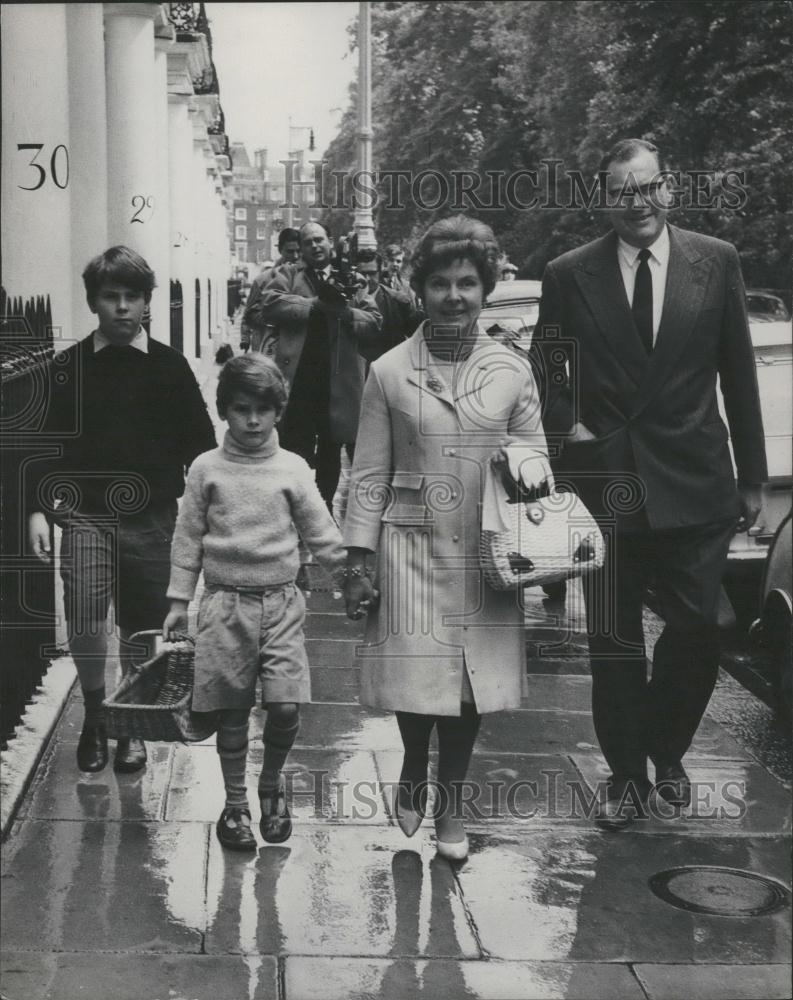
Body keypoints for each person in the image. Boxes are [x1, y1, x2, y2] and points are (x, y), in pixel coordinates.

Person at [531, 138, 766, 829]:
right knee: (613, 639)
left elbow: (737, 371)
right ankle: (627, 775)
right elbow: (551, 369)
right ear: (603, 200)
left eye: (647, 188)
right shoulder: (569, 272)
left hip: (693, 479)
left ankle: (667, 748)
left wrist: (750, 476)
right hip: (605, 481)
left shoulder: (714, 260)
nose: (635, 204)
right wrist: (563, 431)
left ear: (669, 189)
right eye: (620, 192)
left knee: (700, 627)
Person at [342, 216, 551, 861]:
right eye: (440, 284)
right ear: (421, 290)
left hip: (486, 548)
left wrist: (521, 474)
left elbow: (538, 465)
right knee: (417, 675)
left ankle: (452, 807)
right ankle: (411, 764)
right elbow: (369, 473)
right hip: (411, 544)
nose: (454, 296)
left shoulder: (513, 371)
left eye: (467, 283)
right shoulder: (387, 371)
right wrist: (359, 560)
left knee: (468, 684)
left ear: (486, 289)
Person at [27, 246, 216, 774]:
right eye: (111, 296)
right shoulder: (68, 367)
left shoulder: (170, 367)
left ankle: (130, 719)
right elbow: (43, 447)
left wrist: (211, 514)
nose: (123, 307)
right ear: (94, 302)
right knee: (86, 613)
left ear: (146, 302)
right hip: (87, 513)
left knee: (141, 624)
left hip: (154, 515)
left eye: (133, 297)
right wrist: (38, 511)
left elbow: (200, 447)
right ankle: (95, 715)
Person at [162, 354, 345, 851]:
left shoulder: (293, 468)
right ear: (224, 409)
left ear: (278, 411)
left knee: (285, 705)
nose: (252, 420)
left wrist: (351, 578)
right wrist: (180, 600)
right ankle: (236, 805)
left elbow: (321, 531)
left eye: (263, 409)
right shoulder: (206, 469)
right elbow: (188, 537)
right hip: (223, 605)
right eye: (241, 408)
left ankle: (272, 784)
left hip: (282, 604)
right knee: (231, 711)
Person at [254, 221, 383, 510]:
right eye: (308, 241)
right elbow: (270, 305)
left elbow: (374, 322)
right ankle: (293, 507)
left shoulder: (352, 279)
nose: (315, 245)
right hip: (298, 376)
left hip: (337, 379)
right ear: (301, 248)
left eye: (319, 240)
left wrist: (345, 313)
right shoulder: (287, 274)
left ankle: (322, 509)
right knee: (293, 444)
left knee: (331, 445)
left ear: (330, 241)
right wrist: (313, 305)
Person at [355, 252, 425, 360]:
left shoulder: (398, 301)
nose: (367, 279)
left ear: (380, 272)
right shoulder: (347, 301)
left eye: (372, 273)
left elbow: (416, 335)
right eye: (362, 274)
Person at [241, 228, 301, 353]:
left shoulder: (307, 279)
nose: (295, 256)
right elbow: (248, 315)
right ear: (280, 250)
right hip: (267, 346)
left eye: (298, 251)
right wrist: (245, 339)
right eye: (290, 251)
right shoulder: (263, 280)